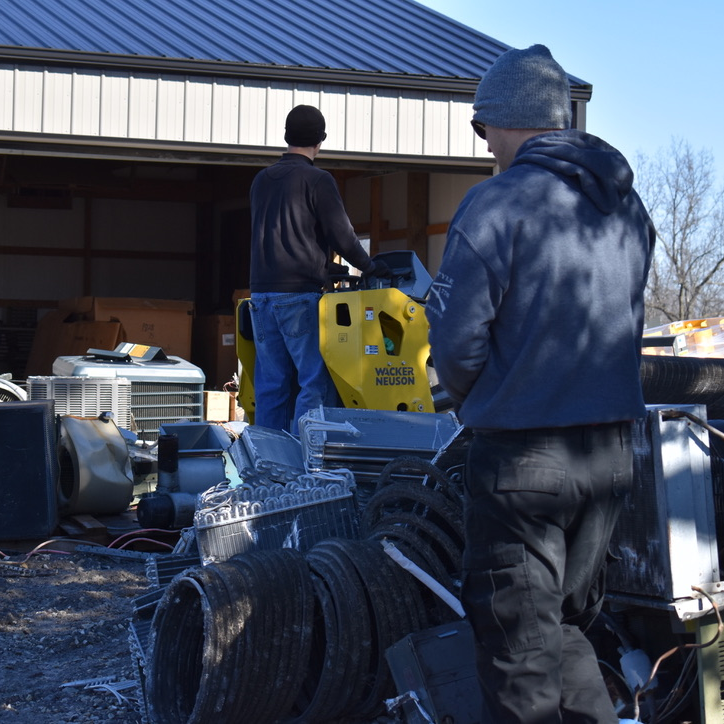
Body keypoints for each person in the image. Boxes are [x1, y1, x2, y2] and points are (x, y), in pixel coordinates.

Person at [426, 45, 656, 723]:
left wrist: (476, 404)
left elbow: (458, 339)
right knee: (561, 628)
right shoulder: (625, 207)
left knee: (517, 651)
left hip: (524, 456)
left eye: (481, 126)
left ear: (508, 121)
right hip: (612, 456)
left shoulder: (495, 204)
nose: (483, 142)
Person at [248, 104, 389, 433]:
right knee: (315, 384)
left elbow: (279, 236)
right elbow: (341, 235)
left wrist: (322, 264)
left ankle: (268, 465)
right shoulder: (317, 180)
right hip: (299, 297)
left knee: (272, 385)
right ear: (320, 141)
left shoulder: (261, 181)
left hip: (261, 295)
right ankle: (306, 466)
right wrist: (369, 267)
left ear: (286, 136)